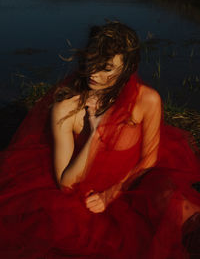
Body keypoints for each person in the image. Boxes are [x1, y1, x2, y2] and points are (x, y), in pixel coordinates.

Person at [0, 21, 200, 258]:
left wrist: (112, 193)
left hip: (133, 181)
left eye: (106, 68)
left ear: (127, 67)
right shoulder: (65, 108)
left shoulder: (148, 100)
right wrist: (96, 134)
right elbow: (66, 183)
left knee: (179, 207)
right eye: (90, 62)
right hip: (84, 193)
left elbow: (149, 159)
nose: (93, 73)